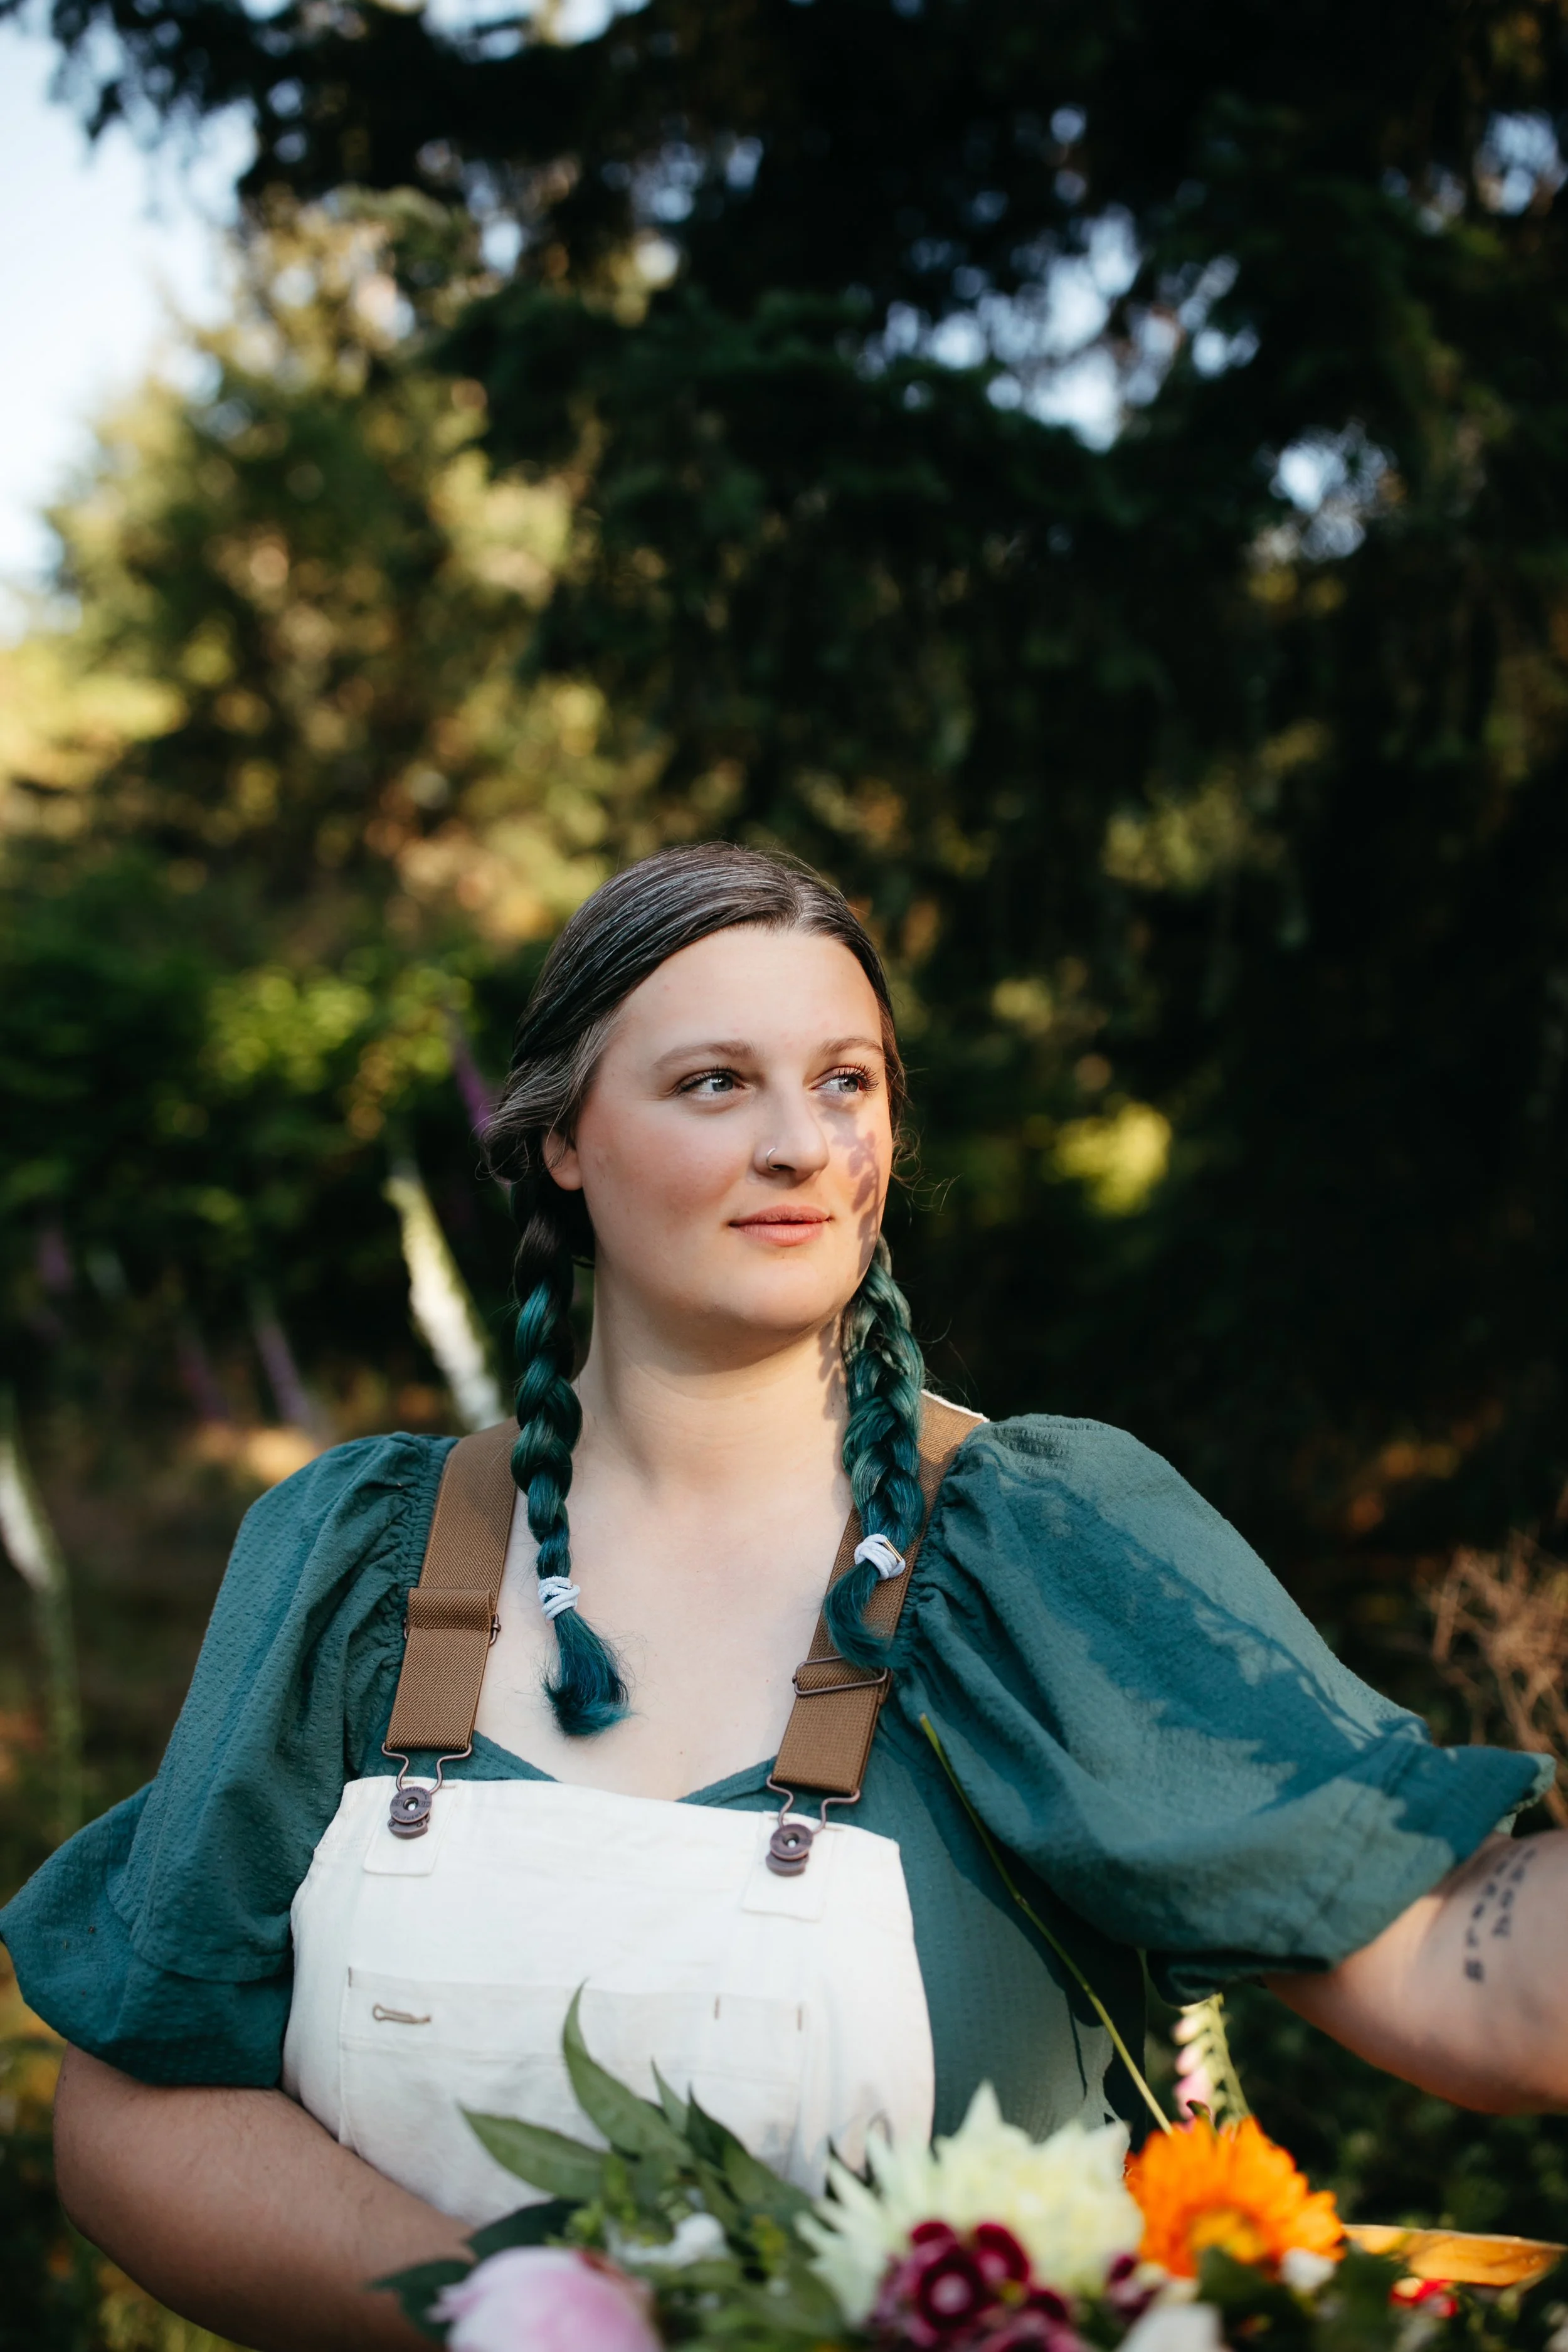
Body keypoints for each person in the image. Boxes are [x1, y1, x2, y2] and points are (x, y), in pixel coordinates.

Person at [3, 843, 1564, 2352]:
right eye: (712, 1083)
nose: (803, 1147)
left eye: (844, 1082)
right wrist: (529, 2319)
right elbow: (144, 2102)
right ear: (561, 1137)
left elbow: (1450, 1970)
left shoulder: (1032, 1545)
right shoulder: (364, 1562)